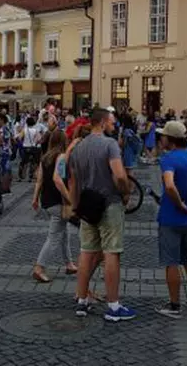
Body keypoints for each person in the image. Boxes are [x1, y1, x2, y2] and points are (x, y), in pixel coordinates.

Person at [69, 109, 136, 322]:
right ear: (104, 122)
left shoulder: (78, 147)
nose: (114, 126)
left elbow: (73, 181)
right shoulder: (110, 145)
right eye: (112, 123)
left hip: (87, 205)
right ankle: (113, 306)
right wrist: (125, 193)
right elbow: (119, 175)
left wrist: (75, 206)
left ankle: (82, 300)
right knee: (111, 253)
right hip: (109, 203)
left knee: (86, 252)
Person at [154, 121, 187, 319]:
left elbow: (169, 185)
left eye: (163, 136)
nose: (161, 139)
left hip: (172, 217)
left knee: (172, 262)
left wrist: (178, 203)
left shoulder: (169, 159)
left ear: (171, 139)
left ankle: (174, 305)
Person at [31, 130, 78, 283]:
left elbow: (39, 180)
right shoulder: (62, 157)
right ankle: (39, 268)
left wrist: (35, 198)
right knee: (54, 237)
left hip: (47, 200)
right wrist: (69, 198)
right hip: (58, 202)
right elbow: (58, 180)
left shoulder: (45, 158)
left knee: (64, 233)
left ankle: (69, 264)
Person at [18, 117, 43, 181]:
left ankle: (21, 176)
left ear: (27, 123)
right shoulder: (36, 130)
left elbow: (19, 138)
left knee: (24, 162)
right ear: (33, 123)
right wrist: (35, 143)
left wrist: (23, 142)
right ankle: (31, 176)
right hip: (33, 147)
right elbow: (39, 139)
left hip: (25, 147)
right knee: (33, 162)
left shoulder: (24, 130)